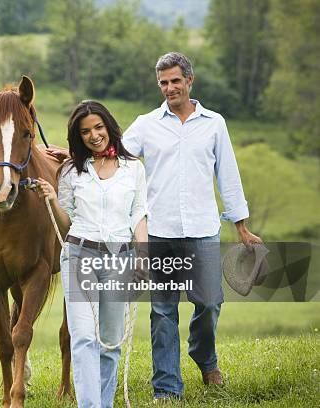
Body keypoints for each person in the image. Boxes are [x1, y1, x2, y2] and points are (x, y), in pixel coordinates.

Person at [121, 52, 263, 401]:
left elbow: (227, 176)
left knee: (211, 301)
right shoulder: (146, 124)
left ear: (189, 80)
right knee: (163, 311)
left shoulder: (214, 123)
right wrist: (74, 153)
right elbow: (114, 157)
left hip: (203, 230)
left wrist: (241, 226)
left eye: (175, 81)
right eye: (163, 83)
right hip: (159, 232)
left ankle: (203, 355)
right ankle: (167, 387)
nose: (170, 88)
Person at [35, 100, 148, 407]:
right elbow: (67, 221)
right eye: (85, 131)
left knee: (110, 342)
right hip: (79, 254)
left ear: (109, 127)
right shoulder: (72, 170)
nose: (93, 135)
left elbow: (138, 214)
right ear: (78, 136)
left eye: (98, 127)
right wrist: (53, 200)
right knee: (83, 337)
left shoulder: (133, 169)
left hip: (120, 259)